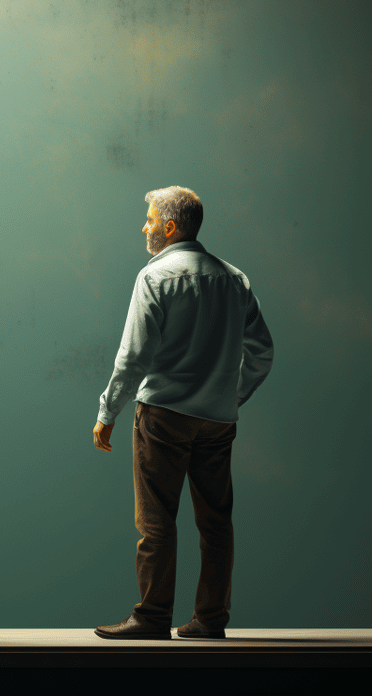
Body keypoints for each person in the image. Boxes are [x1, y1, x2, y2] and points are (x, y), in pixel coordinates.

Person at [92, 186, 274, 641]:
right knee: (216, 522)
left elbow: (133, 357)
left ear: (169, 227)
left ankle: (152, 617)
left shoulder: (155, 277)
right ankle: (210, 620)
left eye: (150, 219)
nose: (145, 227)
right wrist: (231, 396)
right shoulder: (235, 279)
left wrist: (107, 411)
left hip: (164, 417)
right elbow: (262, 353)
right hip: (218, 420)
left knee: (155, 520)